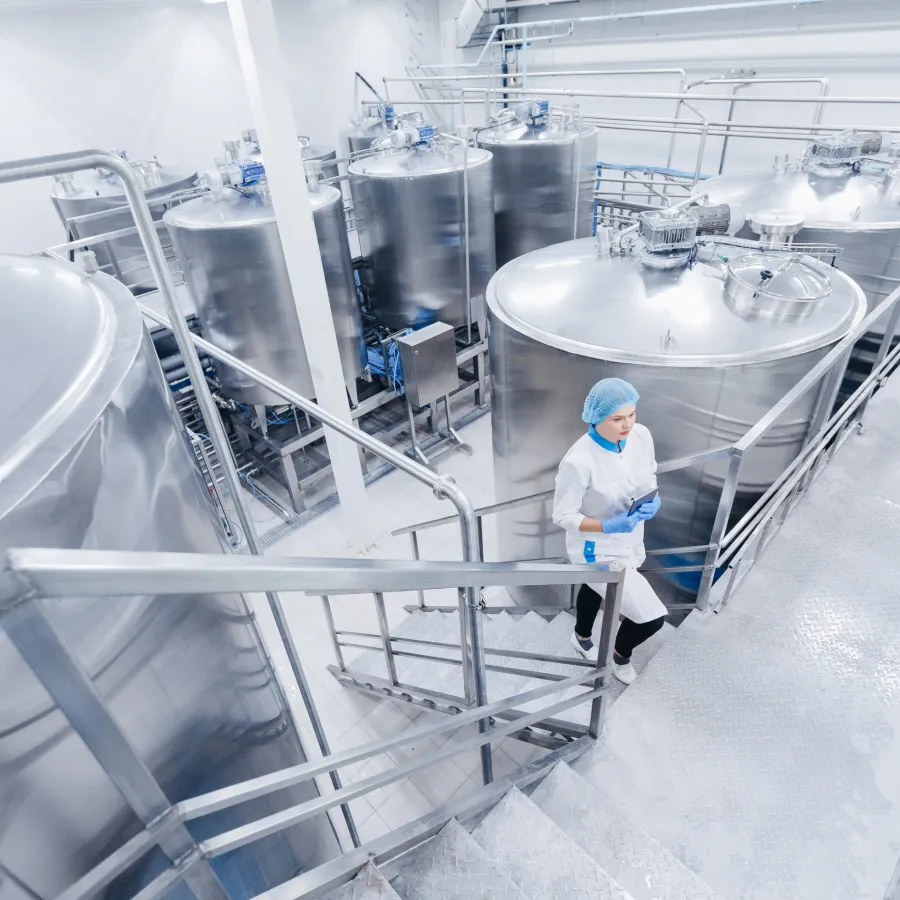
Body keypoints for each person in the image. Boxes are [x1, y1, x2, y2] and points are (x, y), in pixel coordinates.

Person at [552, 377, 667, 685]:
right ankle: (620, 656)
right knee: (652, 617)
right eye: (618, 419)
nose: (627, 424)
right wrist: (608, 525)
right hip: (596, 547)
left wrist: (652, 499)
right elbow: (563, 515)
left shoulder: (640, 435)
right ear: (597, 418)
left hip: (629, 536)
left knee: (594, 587)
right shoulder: (578, 462)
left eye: (632, 414)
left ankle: (581, 637)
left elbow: (649, 472)